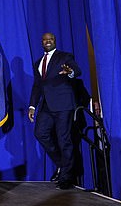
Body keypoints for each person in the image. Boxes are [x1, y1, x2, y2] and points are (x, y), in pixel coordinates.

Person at [28, 32, 82, 190]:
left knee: (63, 139)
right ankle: (62, 165)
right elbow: (37, 85)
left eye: (50, 39)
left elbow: (77, 71)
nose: (47, 41)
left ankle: (66, 177)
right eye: (45, 40)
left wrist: (70, 72)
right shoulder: (38, 62)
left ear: (55, 41)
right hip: (46, 105)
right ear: (42, 42)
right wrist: (32, 106)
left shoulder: (64, 57)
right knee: (40, 133)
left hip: (63, 104)